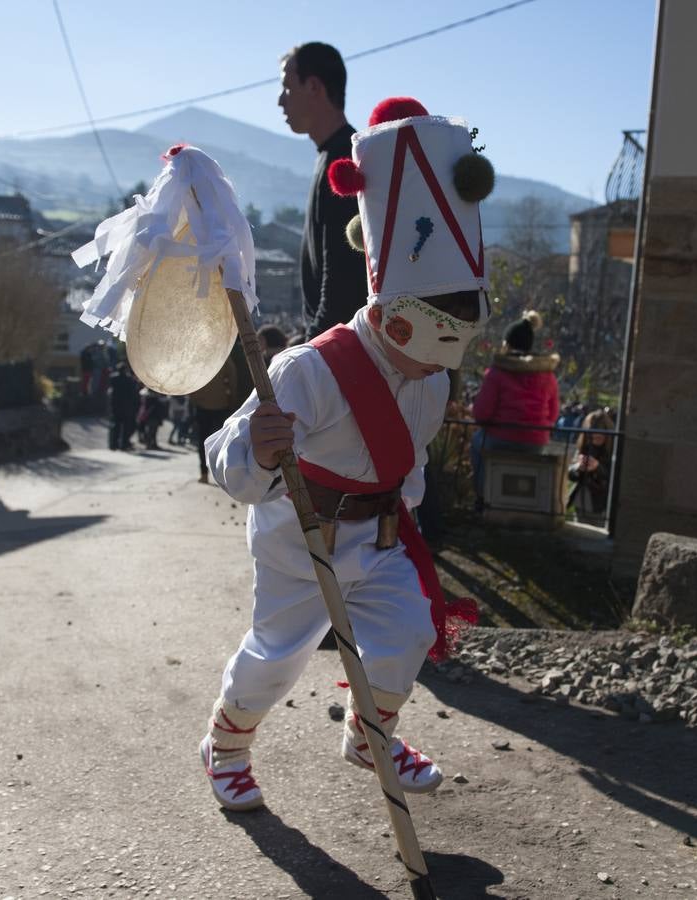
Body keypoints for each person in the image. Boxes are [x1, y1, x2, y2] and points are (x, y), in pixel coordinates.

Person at [199, 96, 491, 811]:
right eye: (431, 351)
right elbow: (225, 456)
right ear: (392, 318)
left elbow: (410, 462)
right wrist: (258, 450)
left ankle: (370, 734)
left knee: (408, 630)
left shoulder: (432, 374)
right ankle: (226, 745)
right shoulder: (309, 369)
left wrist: (402, 511)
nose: (438, 371)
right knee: (278, 657)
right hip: (300, 534)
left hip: (380, 532)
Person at [278, 42, 368, 340]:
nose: (281, 101)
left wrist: (310, 357)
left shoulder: (343, 161)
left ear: (314, 87)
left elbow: (340, 285)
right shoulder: (333, 154)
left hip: (339, 351)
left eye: (288, 88)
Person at [470, 311, 561, 505]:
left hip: (500, 437)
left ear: (508, 343)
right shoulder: (548, 375)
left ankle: (482, 496)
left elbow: (481, 413)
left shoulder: (497, 372)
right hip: (536, 440)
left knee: (477, 443)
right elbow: (553, 414)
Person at [190, 342, 250, 484]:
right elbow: (232, 375)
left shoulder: (197, 359)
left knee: (202, 441)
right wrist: (232, 398)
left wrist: (194, 399)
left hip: (202, 405)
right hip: (221, 404)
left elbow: (191, 382)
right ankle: (225, 476)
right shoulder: (221, 356)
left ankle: (204, 474)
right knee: (223, 441)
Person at [567, 407, 616, 523]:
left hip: (601, 504)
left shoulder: (613, 449)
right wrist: (578, 467)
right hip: (581, 501)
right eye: (592, 434)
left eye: (599, 435)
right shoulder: (584, 446)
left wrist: (597, 467)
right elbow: (571, 475)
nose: (595, 437)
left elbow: (613, 477)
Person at [107, 362, 141, 450]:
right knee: (126, 427)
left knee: (115, 426)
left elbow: (110, 392)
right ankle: (124, 444)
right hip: (127, 407)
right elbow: (134, 394)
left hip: (115, 406)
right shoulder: (129, 380)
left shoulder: (113, 378)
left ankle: (113, 444)